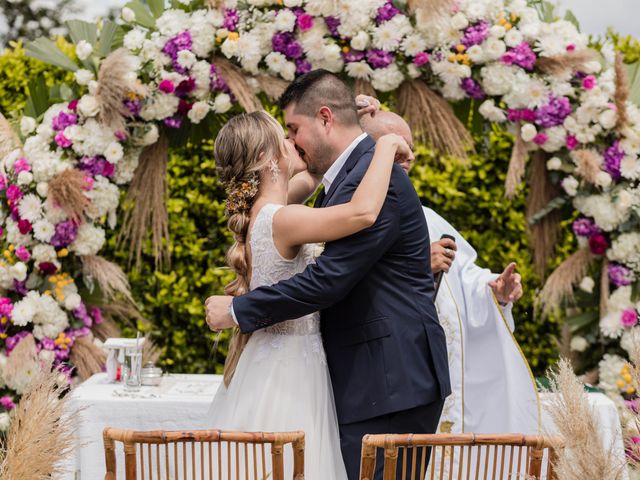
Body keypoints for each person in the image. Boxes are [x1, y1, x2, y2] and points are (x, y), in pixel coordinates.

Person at [206, 70, 451, 479]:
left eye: (294, 128)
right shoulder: (303, 203)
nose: (292, 140)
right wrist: (382, 140)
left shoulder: (370, 177)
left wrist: (239, 309)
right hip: (342, 379)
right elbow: (352, 216)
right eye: (285, 134)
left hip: (388, 383)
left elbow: (330, 278)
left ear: (323, 119)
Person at [360, 109, 540, 438]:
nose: (409, 158)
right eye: (398, 148)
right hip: (386, 375)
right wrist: (415, 264)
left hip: (438, 372)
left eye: (411, 149)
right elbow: (343, 281)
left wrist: (493, 290)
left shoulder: (426, 217)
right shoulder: (349, 211)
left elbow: (464, 278)